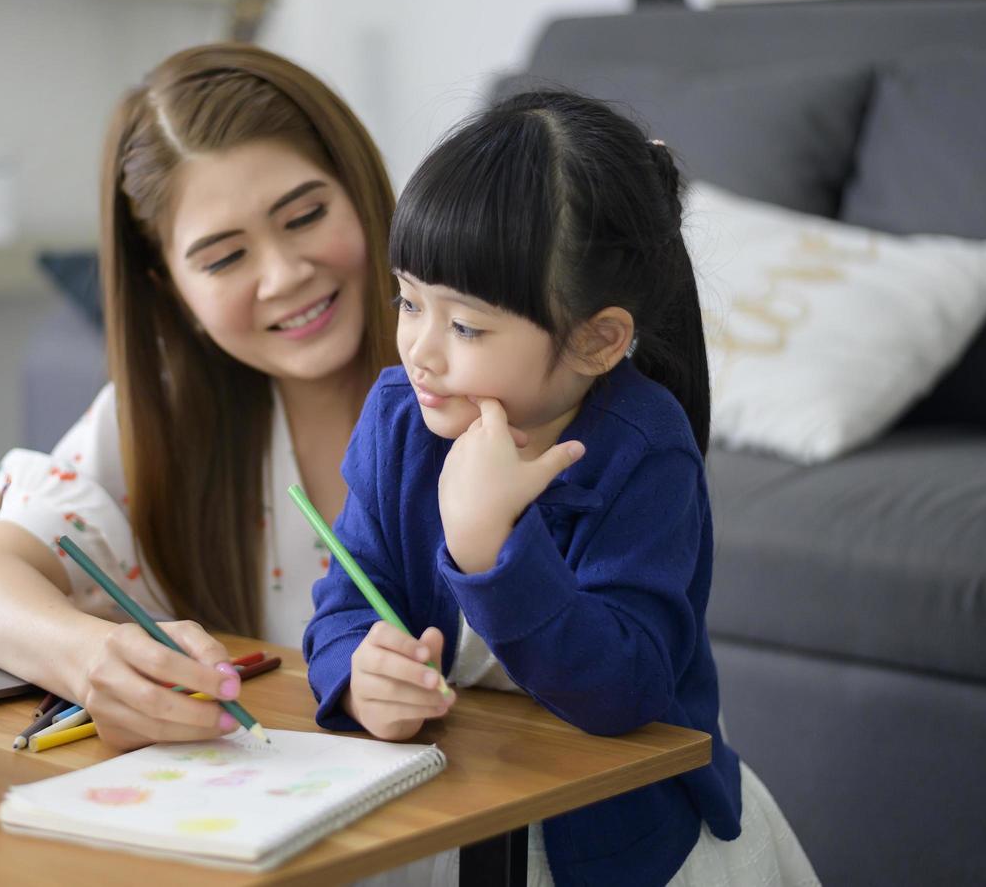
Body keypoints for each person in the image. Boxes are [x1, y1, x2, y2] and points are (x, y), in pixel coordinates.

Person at [302, 90, 819, 886]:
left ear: (597, 339)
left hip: (613, 837)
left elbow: (624, 691)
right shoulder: (400, 420)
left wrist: (489, 546)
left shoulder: (644, 453)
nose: (419, 351)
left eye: (465, 326)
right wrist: (355, 672)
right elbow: (345, 602)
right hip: (446, 797)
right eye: (408, 300)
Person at [0, 43, 397, 752]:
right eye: (223, 258)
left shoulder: (485, 371)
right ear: (171, 290)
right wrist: (93, 661)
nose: (283, 275)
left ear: (361, 192)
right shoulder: (163, 417)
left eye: (305, 216)